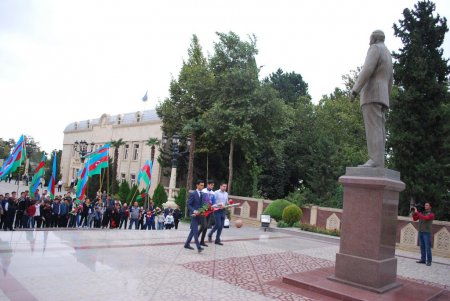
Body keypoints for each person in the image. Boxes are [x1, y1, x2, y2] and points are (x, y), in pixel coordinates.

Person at [350, 30, 393, 168]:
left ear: (373, 38)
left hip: (372, 93)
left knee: (373, 128)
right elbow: (391, 78)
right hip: (382, 95)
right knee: (379, 129)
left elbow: (367, 70)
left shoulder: (375, 48)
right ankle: (379, 161)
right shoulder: (388, 53)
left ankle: (375, 161)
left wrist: (355, 89)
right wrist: (387, 96)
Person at [184, 180, 205, 253]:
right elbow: (188, 204)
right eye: (201, 185)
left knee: (193, 231)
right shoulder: (193, 194)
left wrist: (204, 208)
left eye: (203, 185)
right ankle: (198, 247)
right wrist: (194, 211)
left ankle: (187, 244)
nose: (202, 186)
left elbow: (202, 205)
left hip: (199, 215)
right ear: (197, 185)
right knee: (196, 231)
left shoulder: (202, 194)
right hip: (194, 215)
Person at [200, 180, 215, 246]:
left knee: (206, 227)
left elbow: (214, 202)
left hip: (210, 211)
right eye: (211, 185)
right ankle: (196, 238)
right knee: (203, 225)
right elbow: (201, 201)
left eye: (213, 185)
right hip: (203, 210)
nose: (212, 186)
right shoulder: (203, 191)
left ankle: (202, 241)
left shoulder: (213, 193)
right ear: (208, 185)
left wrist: (213, 206)